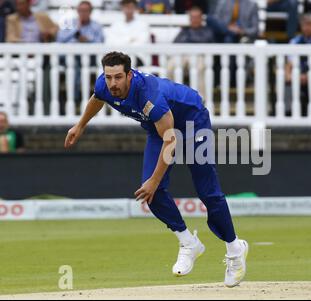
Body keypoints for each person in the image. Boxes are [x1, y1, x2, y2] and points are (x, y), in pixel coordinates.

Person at [64, 52, 249, 287]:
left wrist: (155, 178)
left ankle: (235, 250)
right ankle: (188, 243)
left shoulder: (149, 96)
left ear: (129, 75)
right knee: (151, 192)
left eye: (118, 77)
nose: (113, 83)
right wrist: (80, 125)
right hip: (158, 126)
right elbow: (97, 98)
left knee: (206, 191)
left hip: (192, 119)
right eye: (109, 77)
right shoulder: (104, 84)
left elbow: (170, 141)